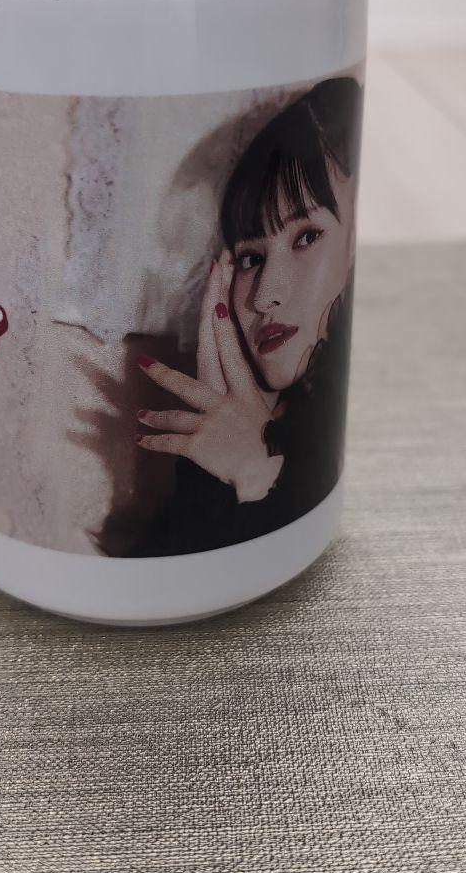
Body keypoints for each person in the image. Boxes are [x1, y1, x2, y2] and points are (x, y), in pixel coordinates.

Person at [131, 76, 362, 556]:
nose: (263, 297)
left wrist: (259, 473)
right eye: (251, 258)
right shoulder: (231, 425)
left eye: (306, 237)